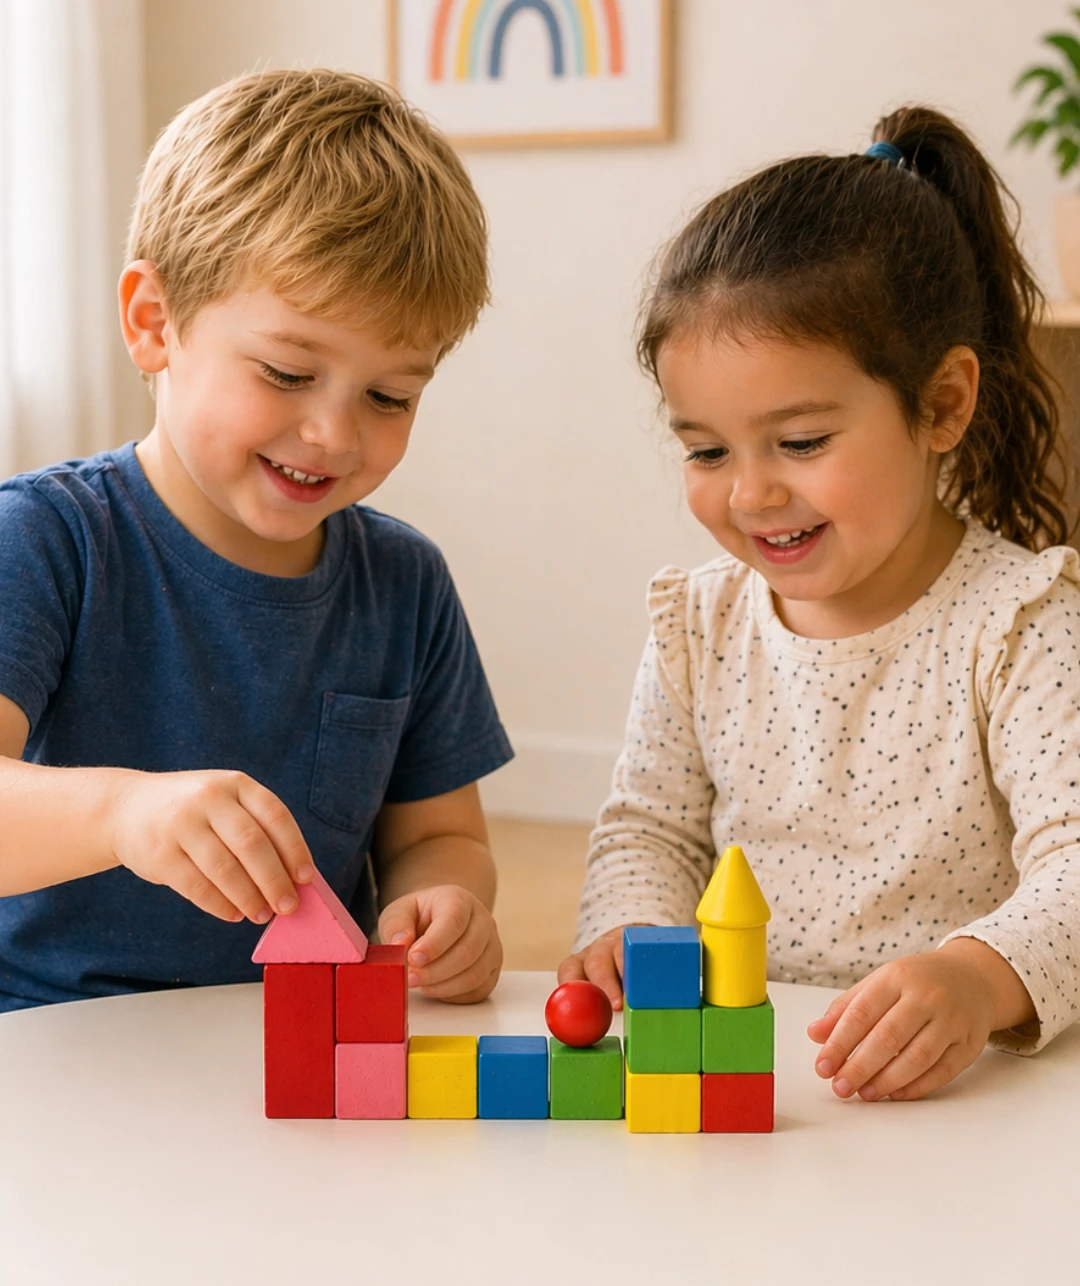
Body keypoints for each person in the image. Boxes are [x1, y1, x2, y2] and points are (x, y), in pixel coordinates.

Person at [560, 105, 1080, 1102]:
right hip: (754, 1077)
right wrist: (629, 923)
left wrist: (978, 978)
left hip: (959, 1094)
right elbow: (649, 831)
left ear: (941, 405)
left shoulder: (1020, 624)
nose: (750, 494)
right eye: (706, 450)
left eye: (800, 443)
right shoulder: (696, 626)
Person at [0, 69, 513, 1012]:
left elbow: (441, 837)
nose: (335, 434)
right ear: (154, 323)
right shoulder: (46, 541)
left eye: (390, 396)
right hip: (56, 1050)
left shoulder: (405, 583)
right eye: (285, 372)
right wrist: (123, 813)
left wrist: (443, 902)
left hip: (301, 1051)